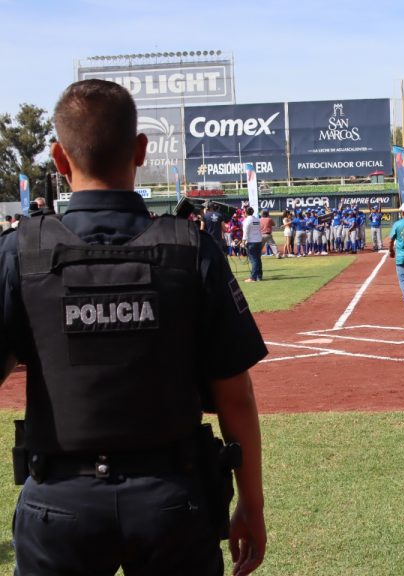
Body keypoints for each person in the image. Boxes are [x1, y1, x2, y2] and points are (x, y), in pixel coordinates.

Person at [0, 79, 268, 575]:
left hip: (59, 503)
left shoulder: (21, 252)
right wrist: (252, 504)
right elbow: (236, 397)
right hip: (172, 501)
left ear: (59, 159)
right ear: (141, 150)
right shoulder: (191, 249)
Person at [243, 206, 264, 282]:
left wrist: (243, 241)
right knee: (258, 259)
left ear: (245, 212)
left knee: (254, 260)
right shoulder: (257, 219)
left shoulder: (246, 220)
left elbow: (245, 232)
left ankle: (253, 277)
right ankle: (259, 276)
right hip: (258, 241)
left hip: (251, 242)